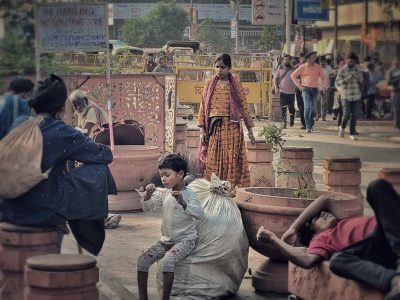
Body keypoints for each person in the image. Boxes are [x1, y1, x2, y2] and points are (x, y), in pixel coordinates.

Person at [0, 74, 116, 255]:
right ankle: (87, 230)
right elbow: (105, 155)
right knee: (98, 169)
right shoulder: (63, 131)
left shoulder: (19, 123)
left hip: (7, 207)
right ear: (61, 108)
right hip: (42, 212)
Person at [256, 179, 400, 299]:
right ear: (314, 233)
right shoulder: (321, 239)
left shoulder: (342, 220)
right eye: (317, 218)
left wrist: (293, 228)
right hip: (380, 245)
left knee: (377, 186)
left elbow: (324, 200)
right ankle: (395, 280)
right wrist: (273, 238)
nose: (323, 213)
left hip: (392, 230)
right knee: (338, 260)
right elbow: (307, 260)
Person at [137, 153, 204, 300]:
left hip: (185, 240)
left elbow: (199, 214)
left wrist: (183, 203)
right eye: (161, 175)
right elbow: (149, 209)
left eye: (167, 175)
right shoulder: (165, 193)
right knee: (142, 261)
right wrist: (147, 196)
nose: (163, 179)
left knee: (167, 262)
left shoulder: (189, 194)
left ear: (180, 174)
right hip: (166, 240)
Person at [197, 53, 256, 188]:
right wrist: (202, 131)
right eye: (216, 67)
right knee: (213, 159)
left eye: (222, 67)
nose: (219, 70)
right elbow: (203, 106)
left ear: (229, 68)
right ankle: (213, 188)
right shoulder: (209, 83)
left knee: (231, 159)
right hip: (215, 128)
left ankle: (229, 190)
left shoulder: (235, 83)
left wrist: (250, 131)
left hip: (232, 128)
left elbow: (243, 105)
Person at [69, 89, 122, 229]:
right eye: (74, 105)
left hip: (99, 147)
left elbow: (85, 133)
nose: (77, 108)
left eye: (79, 104)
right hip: (93, 152)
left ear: (85, 101)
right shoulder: (81, 112)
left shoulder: (91, 110)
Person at [291, 51, 328, 133]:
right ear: (308, 58)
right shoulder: (303, 67)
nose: (315, 59)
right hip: (305, 89)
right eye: (313, 57)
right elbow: (293, 75)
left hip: (315, 90)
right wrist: (299, 86)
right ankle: (308, 126)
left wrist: (324, 86)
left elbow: (324, 77)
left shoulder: (317, 67)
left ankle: (311, 123)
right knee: (307, 108)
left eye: (315, 57)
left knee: (314, 110)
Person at [336, 53, 364, 140]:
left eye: (353, 61)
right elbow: (337, 82)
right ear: (347, 60)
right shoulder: (342, 70)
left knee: (355, 115)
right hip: (345, 96)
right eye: (349, 61)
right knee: (347, 114)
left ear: (355, 62)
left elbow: (361, 80)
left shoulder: (358, 69)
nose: (351, 62)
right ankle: (342, 127)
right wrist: (346, 80)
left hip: (356, 96)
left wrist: (357, 77)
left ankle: (352, 133)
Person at [274, 54, 296, 129]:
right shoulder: (280, 68)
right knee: (283, 108)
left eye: (288, 59)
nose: (287, 61)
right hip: (283, 91)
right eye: (285, 59)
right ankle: (284, 123)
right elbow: (276, 79)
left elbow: (297, 78)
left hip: (292, 92)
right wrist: (276, 88)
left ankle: (292, 119)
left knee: (291, 108)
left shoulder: (293, 69)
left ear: (290, 60)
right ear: (283, 60)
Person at [317, 56, 333, 121]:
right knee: (317, 101)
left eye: (323, 62)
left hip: (326, 87)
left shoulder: (329, 68)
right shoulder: (317, 68)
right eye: (321, 63)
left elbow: (331, 75)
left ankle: (323, 116)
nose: (322, 64)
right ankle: (318, 115)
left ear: (325, 62)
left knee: (325, 102)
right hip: (318, 87)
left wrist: (333, 74)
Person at [293, 55, 306, 129]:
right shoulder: (296, 67)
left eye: (304, 60)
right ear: (299, 59)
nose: (303, 61)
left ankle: (308, 122)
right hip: (299, 90)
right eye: (302, 60)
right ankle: (304, 123)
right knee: (301, 107)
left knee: (308, 107)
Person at [387, 56, 400, 129]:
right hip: (396, 91)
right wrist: (398, 79)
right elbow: (389, 82)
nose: (397, 62)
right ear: (392, 62)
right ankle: (397, 124)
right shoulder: (390, 71)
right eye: (395, 60)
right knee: (397, 109)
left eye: (398, 60)